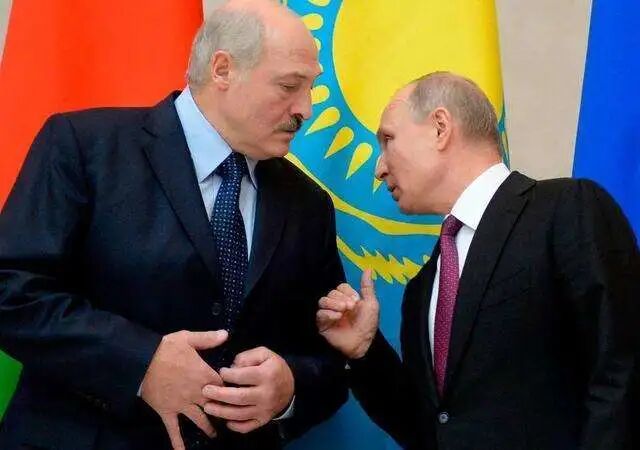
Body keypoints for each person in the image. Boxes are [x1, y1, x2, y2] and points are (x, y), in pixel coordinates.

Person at [0, 1, 347, 449]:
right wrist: (140, 363)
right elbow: (11, 290)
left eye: (311, 88)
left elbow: (328, 357)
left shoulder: (307, 204)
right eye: (289, 86)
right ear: (222, 70)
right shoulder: (86, 147)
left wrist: (289, 388)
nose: (306, 109)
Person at [316, 71, 640, 450]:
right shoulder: (423, 287)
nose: (379, 168)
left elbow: (622, 369)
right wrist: (365, 352)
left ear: (440, 128)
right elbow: (434, 431)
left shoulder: (567, 209)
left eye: (388, 140)